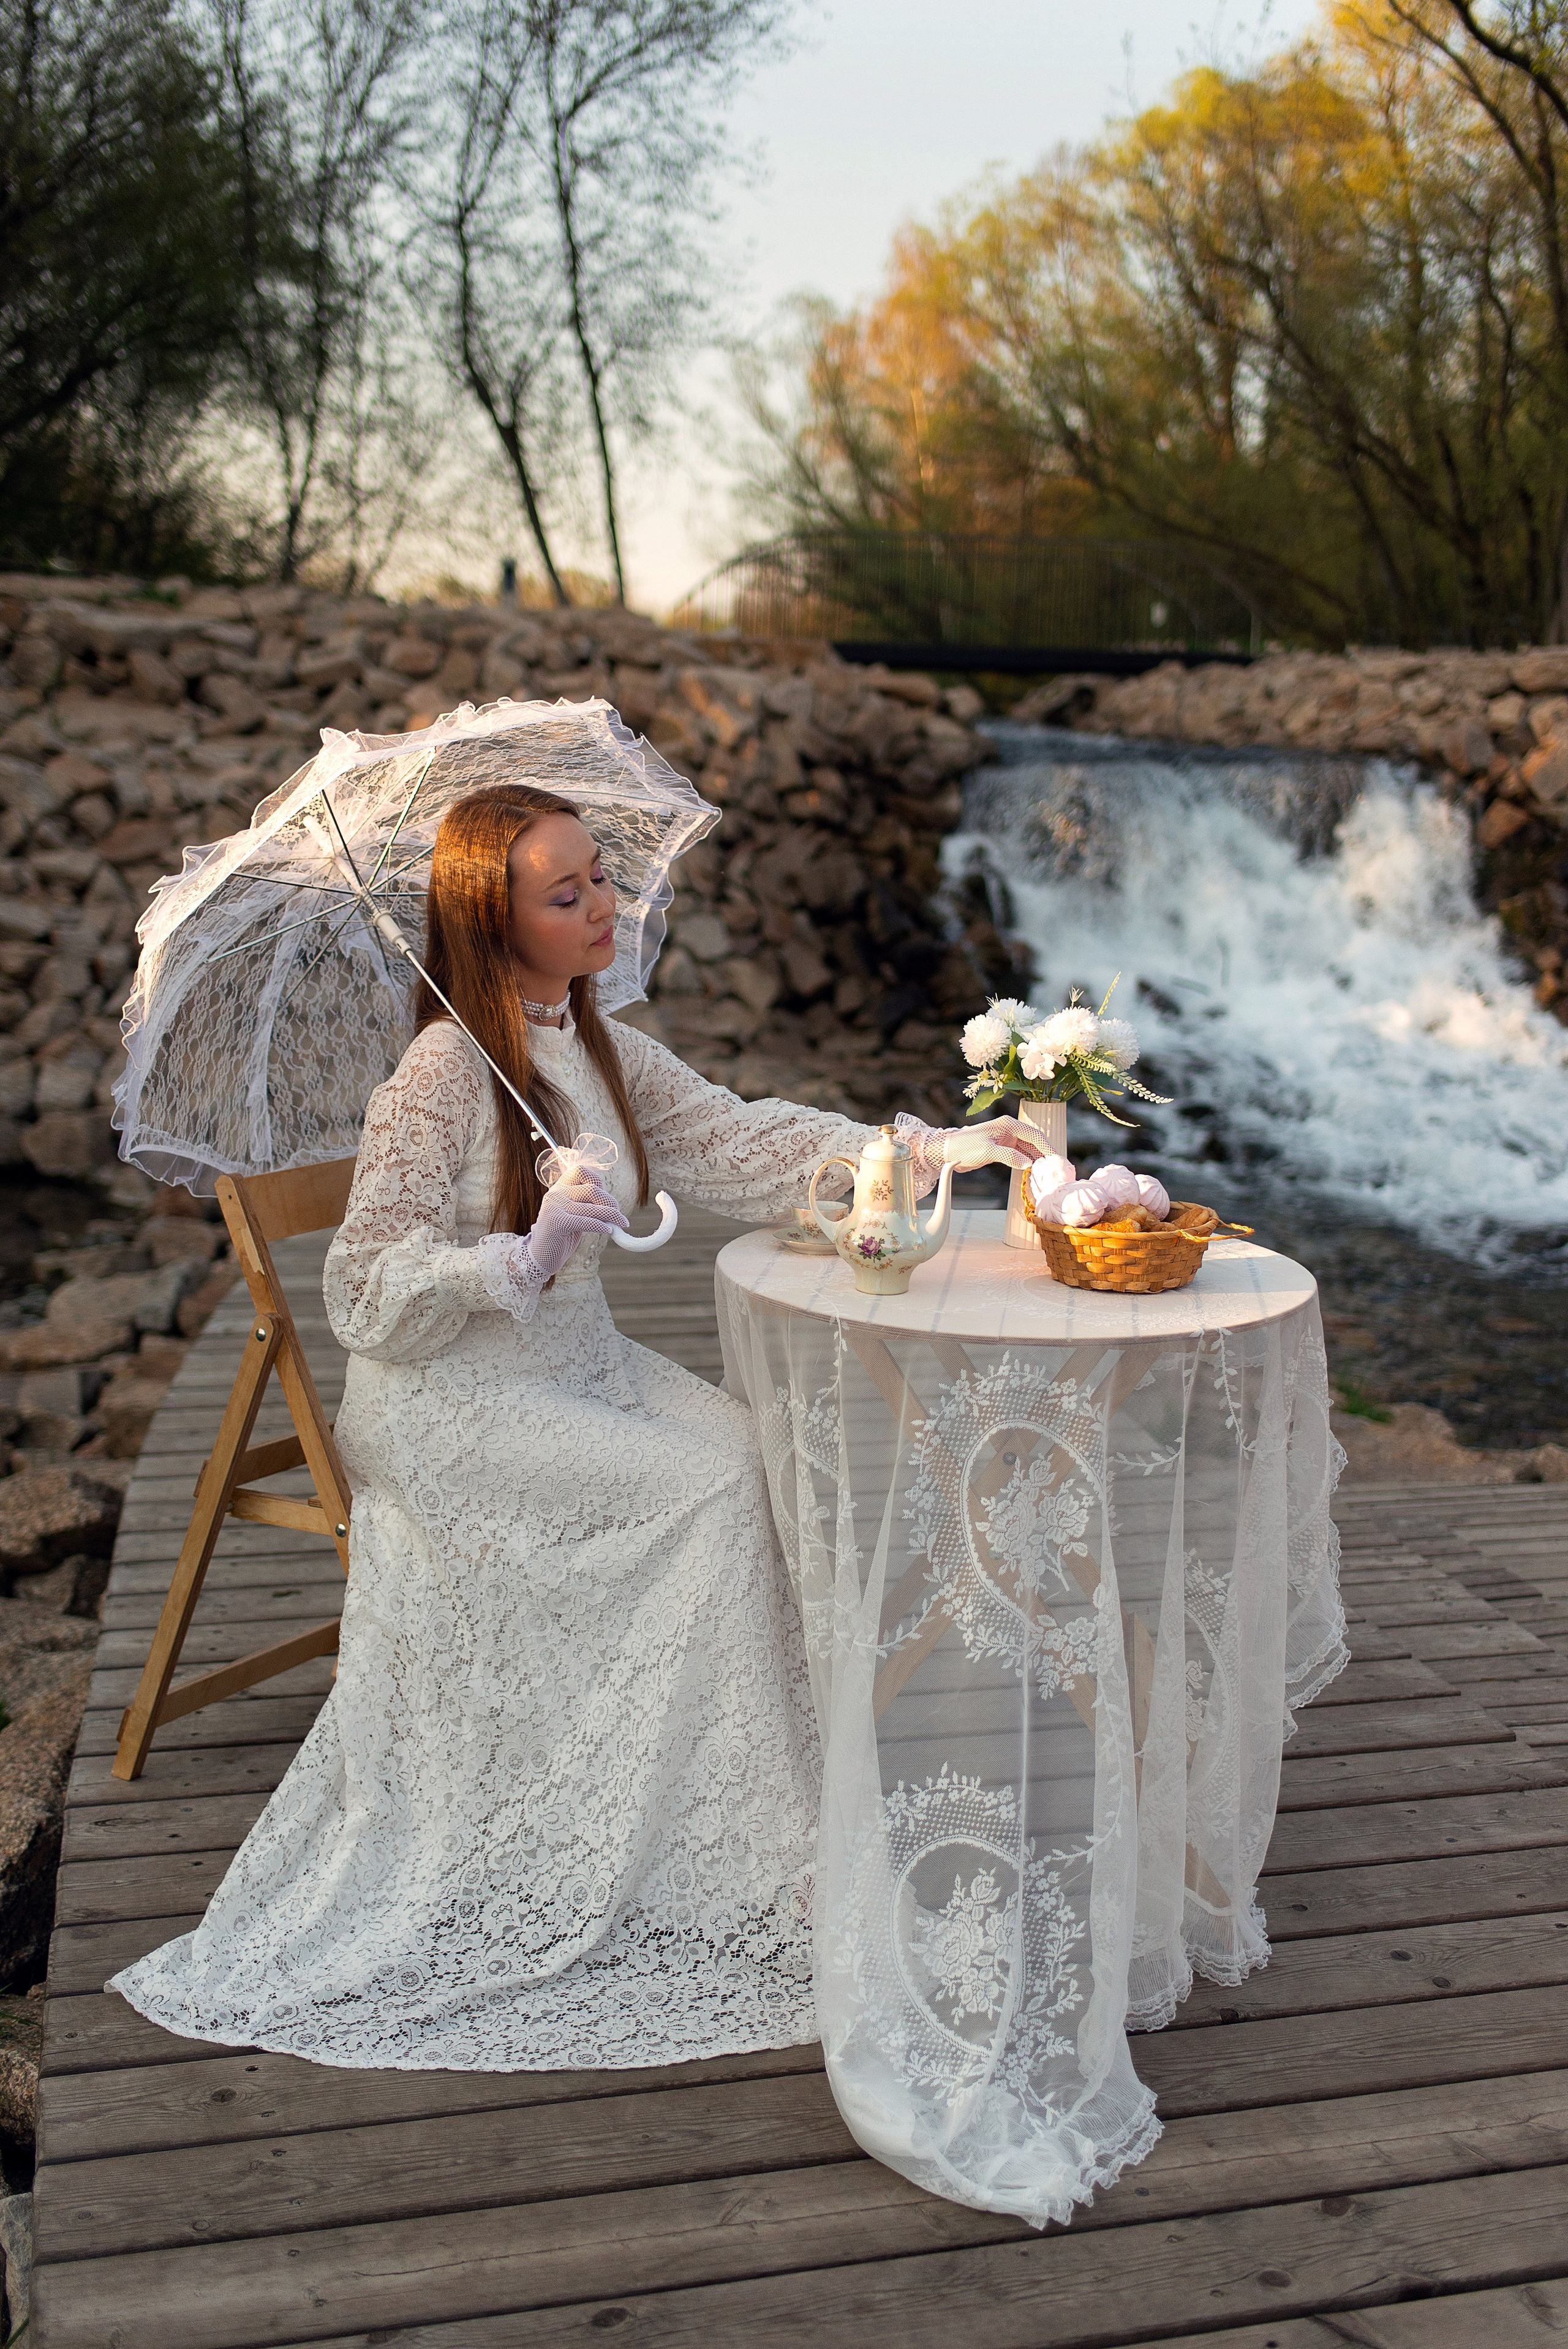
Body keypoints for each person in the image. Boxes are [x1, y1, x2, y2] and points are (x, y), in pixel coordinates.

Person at [109, 784, 1042, 2072]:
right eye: (568, 893)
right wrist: (520, 1253)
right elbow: (362, 1293)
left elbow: (739, 1137)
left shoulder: (598, 1047)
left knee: (750, 1456)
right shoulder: (441, 1075)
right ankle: (710, 1845)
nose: (606, 905)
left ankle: (727, 1813)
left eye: (601, 876)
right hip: (453, 1400)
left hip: (580, 1369)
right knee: (709, 1489)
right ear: (494, 924)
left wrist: (923, 1149)